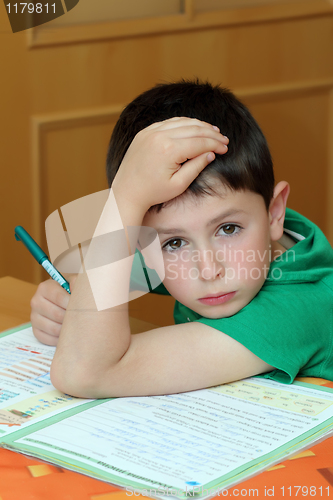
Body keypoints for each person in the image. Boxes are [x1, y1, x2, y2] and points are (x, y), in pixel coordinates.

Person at [30, 80, 333, 398]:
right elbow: (103, 279)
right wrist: (66, 299)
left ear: (274, 213)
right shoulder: (258, 229)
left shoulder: (300, 309)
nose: (208, 269)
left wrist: (125, 198)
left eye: (228, 229)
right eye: (174, 243)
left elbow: (84, 373)